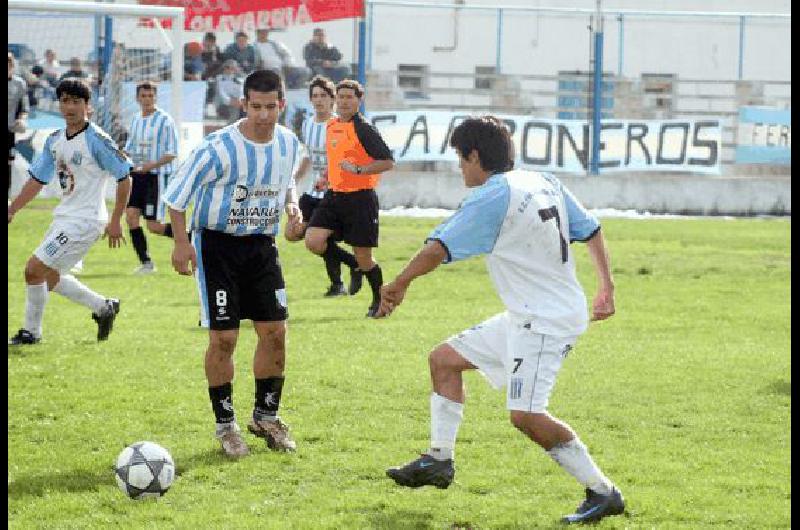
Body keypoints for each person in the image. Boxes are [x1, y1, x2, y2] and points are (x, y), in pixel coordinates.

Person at [376, 116, 625, 525]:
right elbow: (592, 229)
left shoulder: (493, 196)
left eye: (460, 159)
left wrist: (400, 283)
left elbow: (438, 247)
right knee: (444, 360)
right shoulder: (541, 180)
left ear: (475, 156)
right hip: (531, 313)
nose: (460, 168)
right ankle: (439, 460)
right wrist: (606, 288)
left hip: (544, 321)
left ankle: (603, 492)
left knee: (525, 415)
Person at [163, 69, 302, 458]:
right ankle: (226, 426)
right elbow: (176, 198)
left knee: (275, 332)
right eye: (255, 106)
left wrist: (291, 205)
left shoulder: (289, 143)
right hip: (218, 246)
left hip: (262, 245)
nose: (262, 115)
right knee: (225, 338)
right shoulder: (217, 147)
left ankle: (266, 417)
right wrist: (181, 245)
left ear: (282, 105)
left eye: (270, 107)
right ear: (243, 104)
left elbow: (288, 179)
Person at [7, 78, 132, 345]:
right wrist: (13, 208)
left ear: (88, 107)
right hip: (65, 218)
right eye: (65, 101)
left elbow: (125, 177)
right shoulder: (55, 140)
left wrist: (116, 220)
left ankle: (31, 333)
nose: (70, 107)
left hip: (85, 221)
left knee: (33, 270)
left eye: (76, 102)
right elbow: (37, 180)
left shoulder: (97, 140)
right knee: (49, 277)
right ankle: (103, 307)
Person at [304, 79, 394, 317]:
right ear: (336, 100)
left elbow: (387, 161)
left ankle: (379, 300)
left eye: (349, 97)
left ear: (358, 100)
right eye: (341, 97)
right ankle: (352, 265)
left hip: (360, 199)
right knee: (313, 239)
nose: (344, 101)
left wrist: (359, 170)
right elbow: (336, 160)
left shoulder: (363, 128)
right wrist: (325, 177)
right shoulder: (332, 125)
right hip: (334, 196)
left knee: (364, 257)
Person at [284, 76, 358, 297]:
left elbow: (345, 159)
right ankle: (351, 266)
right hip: (313, 191)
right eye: (314, 96)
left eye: (323, 96)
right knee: (292, 233)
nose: (318, 100)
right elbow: (307, 154)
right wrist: (295, 179)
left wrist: (329, 177)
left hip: (334, 192)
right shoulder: (308, 123)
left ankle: (339, 282)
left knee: (317, 240)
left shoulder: (338, 125)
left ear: (332, 99)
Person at [122, 81, 179, 274]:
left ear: (155, 97)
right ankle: (146, 263)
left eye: (150, 96)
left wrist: (150, 166)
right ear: (137, 98)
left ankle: (189, 237)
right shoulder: (136, 119)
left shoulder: (165, 120)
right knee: (131, 217)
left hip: (157, 177)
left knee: (154, 226)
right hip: (137, 176)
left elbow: (172, 153)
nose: (147, 99)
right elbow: (129, 149)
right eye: (143, 96)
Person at [8, 52, 29, 200]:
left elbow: (24, 107)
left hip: (9, 129)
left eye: (9, 64)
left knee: (8, 163)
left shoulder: (19, 83)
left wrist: (21, 120)